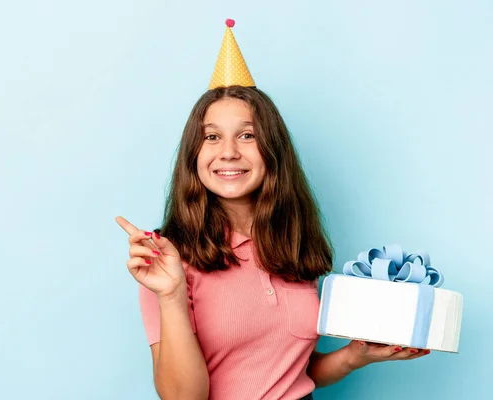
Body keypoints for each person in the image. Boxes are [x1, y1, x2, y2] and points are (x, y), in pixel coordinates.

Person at [116, 19, 429, 400]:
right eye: (212, 137)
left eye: (247, 135)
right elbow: (184, 397)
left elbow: (293, 370)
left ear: (272, 150)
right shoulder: (166, 259)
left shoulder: (292, 243)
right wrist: (171, 295)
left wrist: (353, 356)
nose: (228, 151)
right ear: (194, 155)